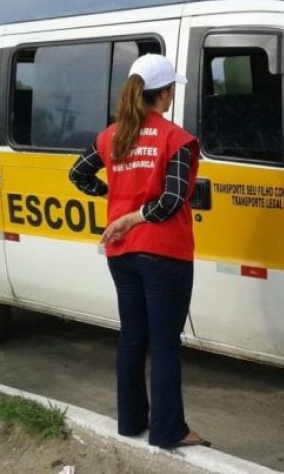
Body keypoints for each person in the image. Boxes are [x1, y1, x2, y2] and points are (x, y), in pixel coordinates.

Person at [68, 54, 208, 448]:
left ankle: (131, 422)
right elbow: (171, 201)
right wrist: (131, 217)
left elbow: (77, 174)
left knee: (132, 337)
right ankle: (168, 431)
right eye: (170, 90)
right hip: (165, 254)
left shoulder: (112, 136)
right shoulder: (175, 139)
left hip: (122, 255)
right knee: (164, 343)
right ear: (163, 94)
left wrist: (115, 199)